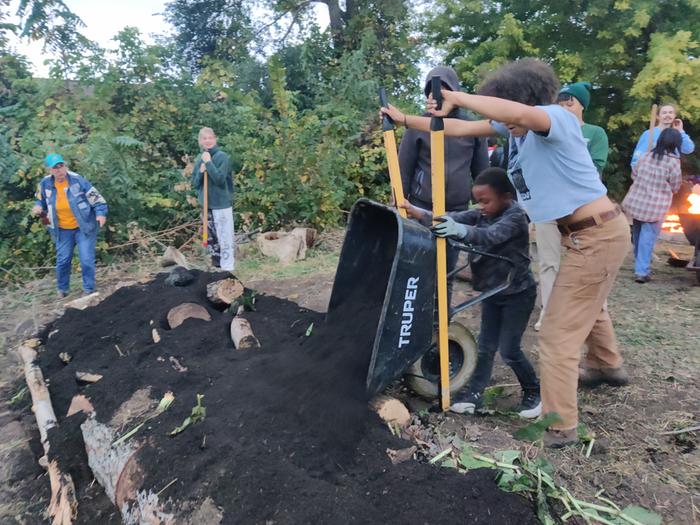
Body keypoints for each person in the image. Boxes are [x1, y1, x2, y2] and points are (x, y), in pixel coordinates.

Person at [382, 58, 630, 448]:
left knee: (555, 333)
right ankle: (608, 365)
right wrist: (405, 120)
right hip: (582, 234)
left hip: (597, 234)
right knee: (586, 301)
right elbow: (460, 127)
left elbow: (515, 113)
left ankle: (562, 425)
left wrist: (454, 94)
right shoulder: (516, 129)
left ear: (522, 101)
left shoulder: (556, 119)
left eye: (504, 106)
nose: (505, 124)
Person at [402, 168, 541, 419]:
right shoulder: (482, 214)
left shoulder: (515, 217)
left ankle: (533, 391)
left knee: (509, 349)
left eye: (486, 200)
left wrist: (460, 231)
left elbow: (489, 237)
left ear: (506, 196)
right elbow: (452, 218)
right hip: (494, 292)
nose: (481, 206)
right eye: (478, 201)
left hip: (518, 293)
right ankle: (474, 394)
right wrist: (419, 213)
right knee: (486, 347)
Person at [397, 66, 489, 297]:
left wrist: (485, 206)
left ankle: (442, 326)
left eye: (443, 90)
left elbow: (482, 172)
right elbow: (403, 169)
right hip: (421, 208)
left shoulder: (472, 128)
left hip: (455, 211)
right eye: (431, 91)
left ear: (454, 92)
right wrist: (399, 203)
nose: (436, 95)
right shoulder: (418, 126)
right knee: (417, 269)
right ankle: (415, 324)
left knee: (445, 274)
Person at [531, 82, 610, 331]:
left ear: (582, 105)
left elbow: (595, 169)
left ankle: (598, 312)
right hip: (548, 204)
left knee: (591, 262)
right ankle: (548, 312)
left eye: (570, 102)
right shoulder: (547, 130)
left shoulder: (595, 134)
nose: (565, 107)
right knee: (548, 261)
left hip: (583, 209)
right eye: (560, 102)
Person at [32, 153, 108, 297]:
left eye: (62, 166)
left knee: (86, 258)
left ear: (65, 166)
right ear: (49, 170)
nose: (60, 170)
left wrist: (101, 213)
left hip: (84, 226)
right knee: (63, 259)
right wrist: (37, 208)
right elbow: (39, 200)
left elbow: (97, 199)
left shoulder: (78, 180)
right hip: (61, 230)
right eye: (56, 168)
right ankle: (63, 290)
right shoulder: (45, 183)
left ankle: (88, 289)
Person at [622, 128, 682, 283]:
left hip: (637, 202)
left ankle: (639, 264)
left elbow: (634, 173)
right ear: (675, 143)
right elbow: (675, 185)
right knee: (647, 239)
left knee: (637, 235)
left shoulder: (647, 155)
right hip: (655, 206)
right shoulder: (674, 162)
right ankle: (641, 271)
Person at [191, 127, 235, 271]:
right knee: (211, 239)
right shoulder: (200, 158)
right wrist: (201, 170)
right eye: (204, 138)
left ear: (215, 139)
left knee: (225, 237)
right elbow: (195, 184)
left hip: (221, 204)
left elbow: (220, 180)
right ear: (200, 141)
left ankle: (227, 268)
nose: (208, 141)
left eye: (210, 137)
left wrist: (209, 164)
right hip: (206, 205)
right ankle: (216, 266)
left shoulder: (222, 157)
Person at [630, 103, 694, 169]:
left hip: (670, 174)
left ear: (674, 116)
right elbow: (637, 157)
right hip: (651, 174)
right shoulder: (649, 133)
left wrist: (681, 131)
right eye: (664, 113)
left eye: (671, 112)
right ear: (658, 116)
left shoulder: (676, 134)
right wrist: (637, 172)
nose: (668, 115)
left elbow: (688, 149)